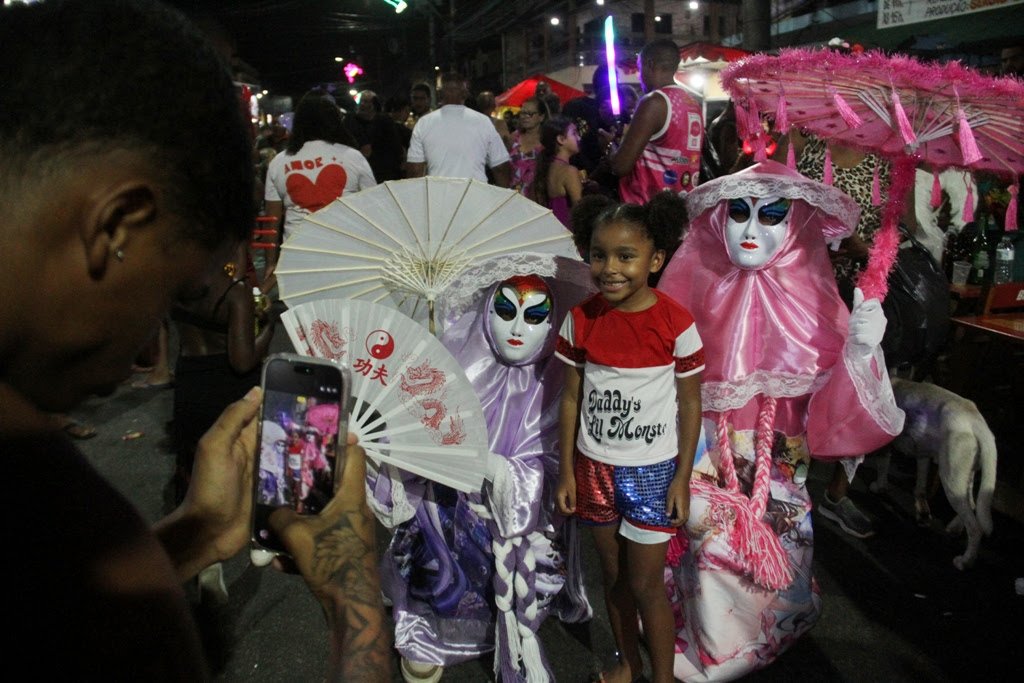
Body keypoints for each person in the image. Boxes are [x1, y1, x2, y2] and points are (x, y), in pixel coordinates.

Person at [0, 1, 389, 679]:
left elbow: (52, 617)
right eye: (169, 291)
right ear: (117, 225)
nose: (146, 350)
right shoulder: (46, 488)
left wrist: (198, 531)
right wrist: (355, 595)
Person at [657, 160, 904, 681]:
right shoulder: (688, 287)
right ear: (717, 218)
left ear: (796, 228)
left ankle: (772, 627)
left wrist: (860, 352)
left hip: (781, 467)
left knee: (783, 535)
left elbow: (838, 418)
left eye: (772, 215)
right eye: (738, 213)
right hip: (702, 457)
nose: (751, 230)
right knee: (706, 537)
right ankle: (712, 641)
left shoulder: (815, 303)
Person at [376, 257, 595, 683]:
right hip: (451, 508)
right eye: (506, 310)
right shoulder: (456, 363)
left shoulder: (557, 384)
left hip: (518, 518)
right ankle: (435, 626)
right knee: (433, 517)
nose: (518, 329)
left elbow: (555, 465)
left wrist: (500, 471)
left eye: (535, 317)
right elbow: (414, 444)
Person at [555, 193, 703, 683]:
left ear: (655, 259)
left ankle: (662, 678)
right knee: (614, 578)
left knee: (646, 585)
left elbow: (690, 403)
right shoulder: (580, 319)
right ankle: (628, 664)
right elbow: (571, 398)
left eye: (626, 256)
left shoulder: (677, 323)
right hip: (593, 469)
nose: (610, 269)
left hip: (653, 473)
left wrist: (682, 477)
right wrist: (567, 471)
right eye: (599, 255)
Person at [169, 246, 276, 603]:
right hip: (227, 389)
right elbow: (242, 360)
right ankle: (258, 536)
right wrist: (268, 326)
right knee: (245, 461)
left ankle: (206, 560)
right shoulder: (234, 293)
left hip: (190, 382)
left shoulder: (176, 285)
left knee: (196, 467)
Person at [262, 90, 377, 295]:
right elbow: (375, 208)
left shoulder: (279, 162)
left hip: (298, 259)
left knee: (304, 314)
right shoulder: (353, 157)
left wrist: (271, 263)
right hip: (347, 255)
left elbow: (272, 222)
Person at [608, 39, 704, 202]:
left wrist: (609, 145)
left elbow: (620, 166)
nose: (639, 76)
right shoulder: (693, 103)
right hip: (679, 206)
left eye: (640, 69)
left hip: (647, 208)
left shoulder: (654, 102)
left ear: (650, 65)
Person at [405, 71, 512, 186]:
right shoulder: (483, 122)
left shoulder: (423, 124)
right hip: (476, 194)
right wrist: (502, 193)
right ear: (465, 94)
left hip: (438, 194)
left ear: (439, 94)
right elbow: (500, 168)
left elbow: (415, 170)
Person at [531, 116, 583, 228]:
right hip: (568, 230)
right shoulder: (569, 171)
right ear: (561, 139)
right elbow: (580, 211)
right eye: (574, 133)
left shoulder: (546, 168)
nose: (578, 138)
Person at [348, 89, 405, 182]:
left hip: (382, 171)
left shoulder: (383, 122)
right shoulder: (352, 121)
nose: (362, 104)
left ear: (373, 105)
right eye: (361, 101)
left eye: (366, 101)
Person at [509, 96, 550, 195]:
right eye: (522, 113)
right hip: (511, 195)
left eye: (530, 114)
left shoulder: (547, 140)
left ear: (541, 117)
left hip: (537, 196)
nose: (524, 116)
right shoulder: (513, 137)